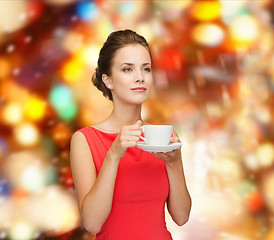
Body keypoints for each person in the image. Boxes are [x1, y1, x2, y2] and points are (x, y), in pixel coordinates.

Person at [70, 29, 191, 239]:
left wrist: (175, 163)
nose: (139, 78)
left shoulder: (161, 140)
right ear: (108, 81)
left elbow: (181, 216)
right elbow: (92, 222)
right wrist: (113, 155)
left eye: (146, 69)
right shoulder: (85, 140)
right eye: (127, 69)